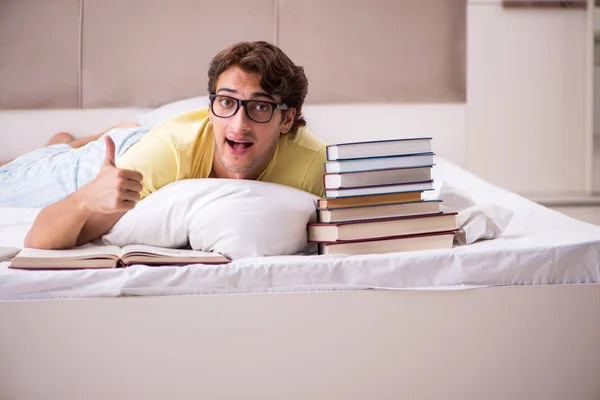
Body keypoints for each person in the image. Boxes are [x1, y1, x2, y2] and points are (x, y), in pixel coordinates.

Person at [18, 41, 328, 250]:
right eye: (226, 102)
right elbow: (38, 239)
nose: (238, 125)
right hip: (114, 156)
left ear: (287, 120)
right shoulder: (166, 154)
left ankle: (83, 139)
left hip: (156, 138)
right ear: (211, 106)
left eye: (259, 107)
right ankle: (65, 145)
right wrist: (84, 200)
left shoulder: (317, 165)